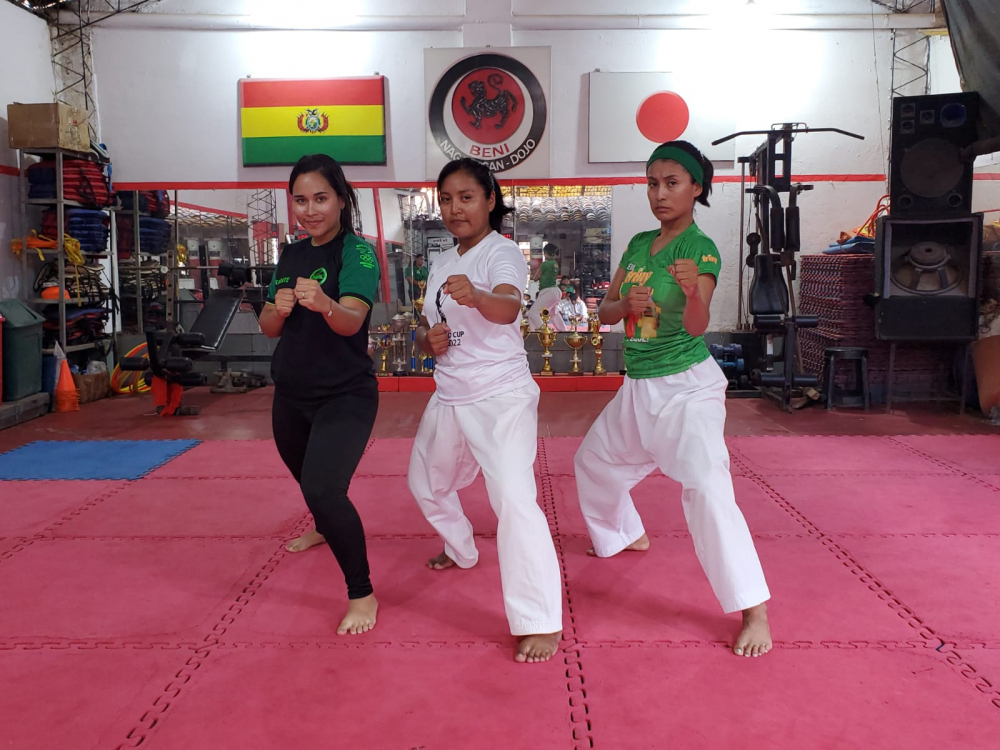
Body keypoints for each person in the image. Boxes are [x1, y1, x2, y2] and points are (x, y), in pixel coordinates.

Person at [573, 140, 773, 658]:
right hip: (638, 385)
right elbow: (607, 315)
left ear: (696, 188)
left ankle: (754, 609)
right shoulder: (640, 243)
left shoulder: (700, 249)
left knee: (706, 488)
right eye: (652, 183)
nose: (659, 194)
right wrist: (624, 300)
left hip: (686, 387)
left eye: (672, 183)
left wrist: (690, 294)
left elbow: (699, 325)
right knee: (592, 463)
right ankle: (624, 534)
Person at [408, 157, 563, 664]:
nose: (455, 208)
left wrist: (475, 295)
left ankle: (540, 619)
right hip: (451, 390)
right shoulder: (440, 260)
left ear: (490, 200)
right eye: (446, 199)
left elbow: (508, 307)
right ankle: (461, 548)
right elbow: (432, 327)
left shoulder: (502, 255)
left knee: (515, 500)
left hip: (500, 395)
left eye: (466, 197)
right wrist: (427, 341)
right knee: (426, 482)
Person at [259, 153, 381, 636]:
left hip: (344, 394)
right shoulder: (290, 255)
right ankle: (324, 526)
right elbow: (268, 327)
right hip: (290, 393)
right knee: (308, 480)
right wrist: (281, 309)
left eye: (321, 199)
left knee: (323, 488)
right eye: (301, 200)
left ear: (341, 199)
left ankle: (362, 592)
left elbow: (352, 319)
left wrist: (326, 303)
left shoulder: (358, 252)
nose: (310, 210)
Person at [529, 243, 567, 331]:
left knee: (533, 313)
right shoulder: (555, 264)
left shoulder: (545, 264)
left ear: (545, 253)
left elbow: (535, 278)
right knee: (554, 313)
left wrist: (533, 270)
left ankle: (544, 332)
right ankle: (564, 331)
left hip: (548, 291)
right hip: (556, 291)